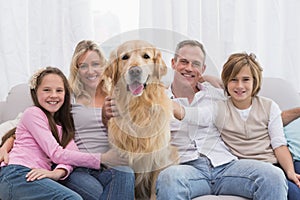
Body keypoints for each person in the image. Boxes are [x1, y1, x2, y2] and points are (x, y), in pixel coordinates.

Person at [0, 40, 135, 200]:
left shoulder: (118, 94)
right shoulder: (64, 101)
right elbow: (24, 128)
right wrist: (5, 145)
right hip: (77, 168)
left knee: (126, 172)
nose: (90, 71)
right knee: (97, 195)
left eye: (96, 64)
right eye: (83, 66)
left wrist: (57, 173)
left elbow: (66, 148)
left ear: (104, 65)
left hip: (105, 165)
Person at [154, 40, 288, 199]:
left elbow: (261, 109)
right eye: (183, 62)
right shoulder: (157, 99)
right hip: (187, 169)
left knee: (273, 176)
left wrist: (208, 79)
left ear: (203, 69)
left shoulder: (217, 94)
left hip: (226, 166)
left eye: (196, 64)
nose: (189, 68)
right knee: (169, 178)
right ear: (173, 63)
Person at [0, 67, 103, 199]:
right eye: (47, 90)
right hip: (16, 173)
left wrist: (58, 173)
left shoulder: (63, 129)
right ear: (35, 92)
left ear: (65, 95)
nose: (53, 95)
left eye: (59, 90)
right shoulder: (33, 113)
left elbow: (72, 156)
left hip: (35, 176)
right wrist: (102, 158)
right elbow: (57, 154)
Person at [214, 52, 300, 199]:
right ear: (226, 82)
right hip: (244, 172)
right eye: (233, 80)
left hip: (273, 165)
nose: (239, 86)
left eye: (246, 79)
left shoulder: (269, 106)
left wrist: (290, 172)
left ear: (255, 82)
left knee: (294, 189)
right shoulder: (217, 109)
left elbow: (279, 144)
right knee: (292, 194)